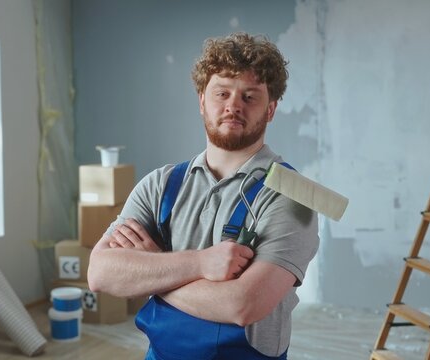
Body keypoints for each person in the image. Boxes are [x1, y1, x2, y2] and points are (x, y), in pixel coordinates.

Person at [88, 32, 319, 360]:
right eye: (222, 92)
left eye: (249, 97)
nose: (233, 106)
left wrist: (152, 266)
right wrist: (200, 262)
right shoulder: (161, 184)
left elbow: (243, 305)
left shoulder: (297, 198)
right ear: (202, 101)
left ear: (270, 110)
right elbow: (100, 273)